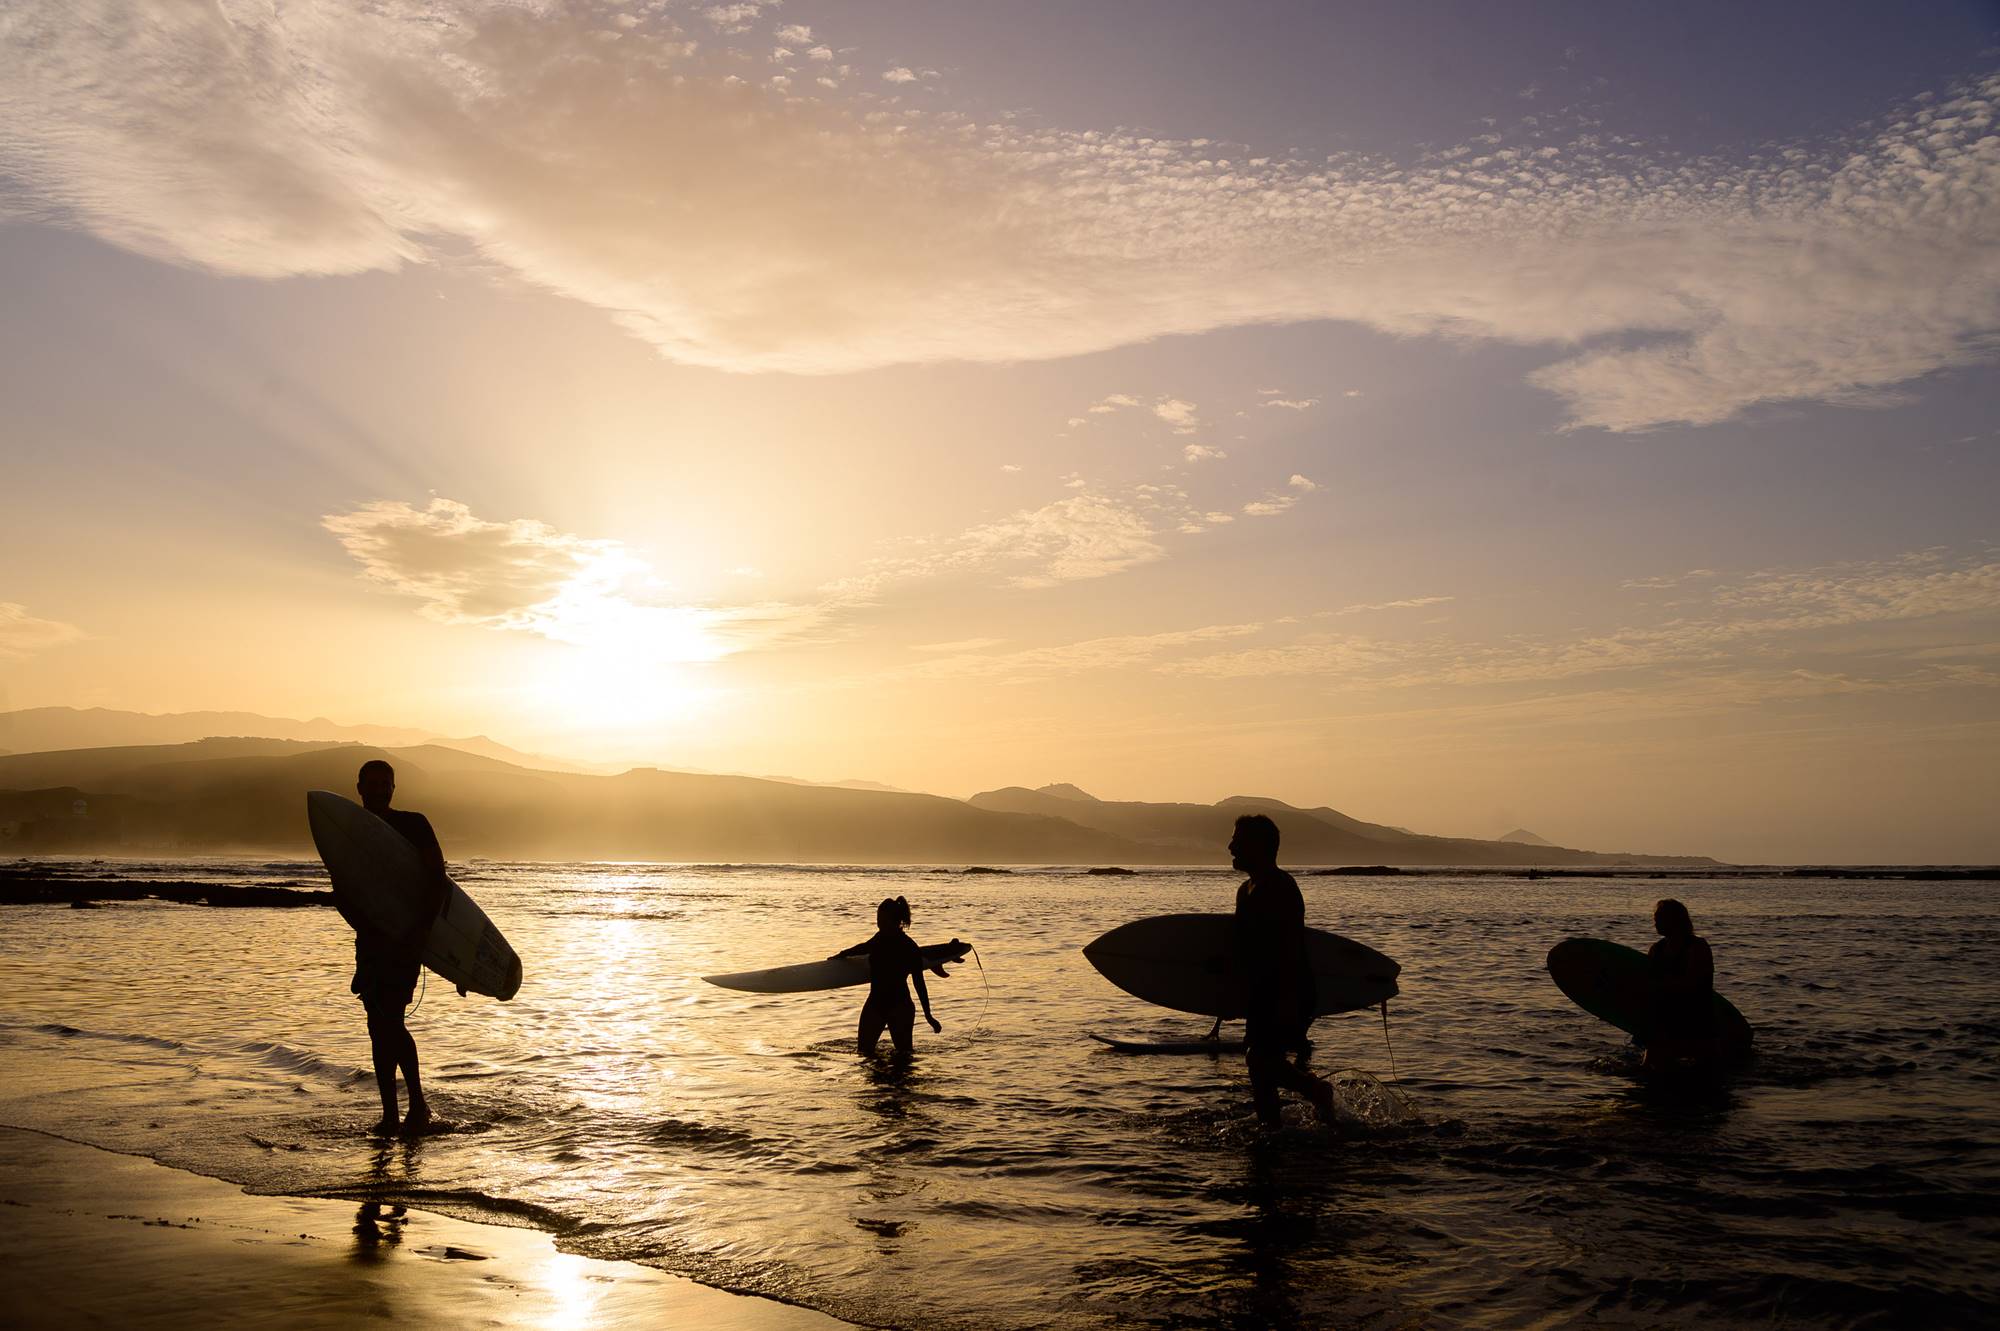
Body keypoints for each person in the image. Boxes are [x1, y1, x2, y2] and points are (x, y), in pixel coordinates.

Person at [329, 759, 448, 1136]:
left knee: (391, 1020)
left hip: (406, 939)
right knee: (376, 1026)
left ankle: (417, 1105)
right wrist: (363, 925)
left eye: (386, 784)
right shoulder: (350, 831)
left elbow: (437, 882)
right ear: (359, 787)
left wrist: (420, 934)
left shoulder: (413, 824)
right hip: (371, 942)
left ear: (394, 788)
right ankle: (391, 1114)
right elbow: (343, 891)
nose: (380, 789)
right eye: (373, 783)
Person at [1229, 814, 1336, 1127]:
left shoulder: (1279, 887)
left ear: (1259, 846)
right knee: (1261, 1074)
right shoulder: (1245, 890)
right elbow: (1244, 949)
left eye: (1238, 840)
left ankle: (1316, 1090)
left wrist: (1289, 1001)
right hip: (1261, 992)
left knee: (1259, 1060)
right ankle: (1271, 1135)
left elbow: (1289, 949)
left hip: (1288, 990)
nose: (1230, 846)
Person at [832, 896, 941, 1059]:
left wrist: (928, 1015)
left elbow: (919, 982)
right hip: (875, 1004)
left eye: (883, 920)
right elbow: (864, 947)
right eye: (878, 920)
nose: (879, 924)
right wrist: (843, 954)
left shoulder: (909, 947)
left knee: (904, 1058)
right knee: (864, 1054)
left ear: (895, 921)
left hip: (900, 1007)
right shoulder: (879, 938)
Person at [1644, 897, 1717, 1071]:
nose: (1655, 923)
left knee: (1706, 1071)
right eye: (1655, 919)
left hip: (1695, 1016)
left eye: (1659, 919)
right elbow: (1646, 982)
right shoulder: (1656, 949)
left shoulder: (1697, 947)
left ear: (1674, 920)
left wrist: (1661, 986)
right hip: (1664, 1016)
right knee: (1650, 1068)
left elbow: (1695, 984)